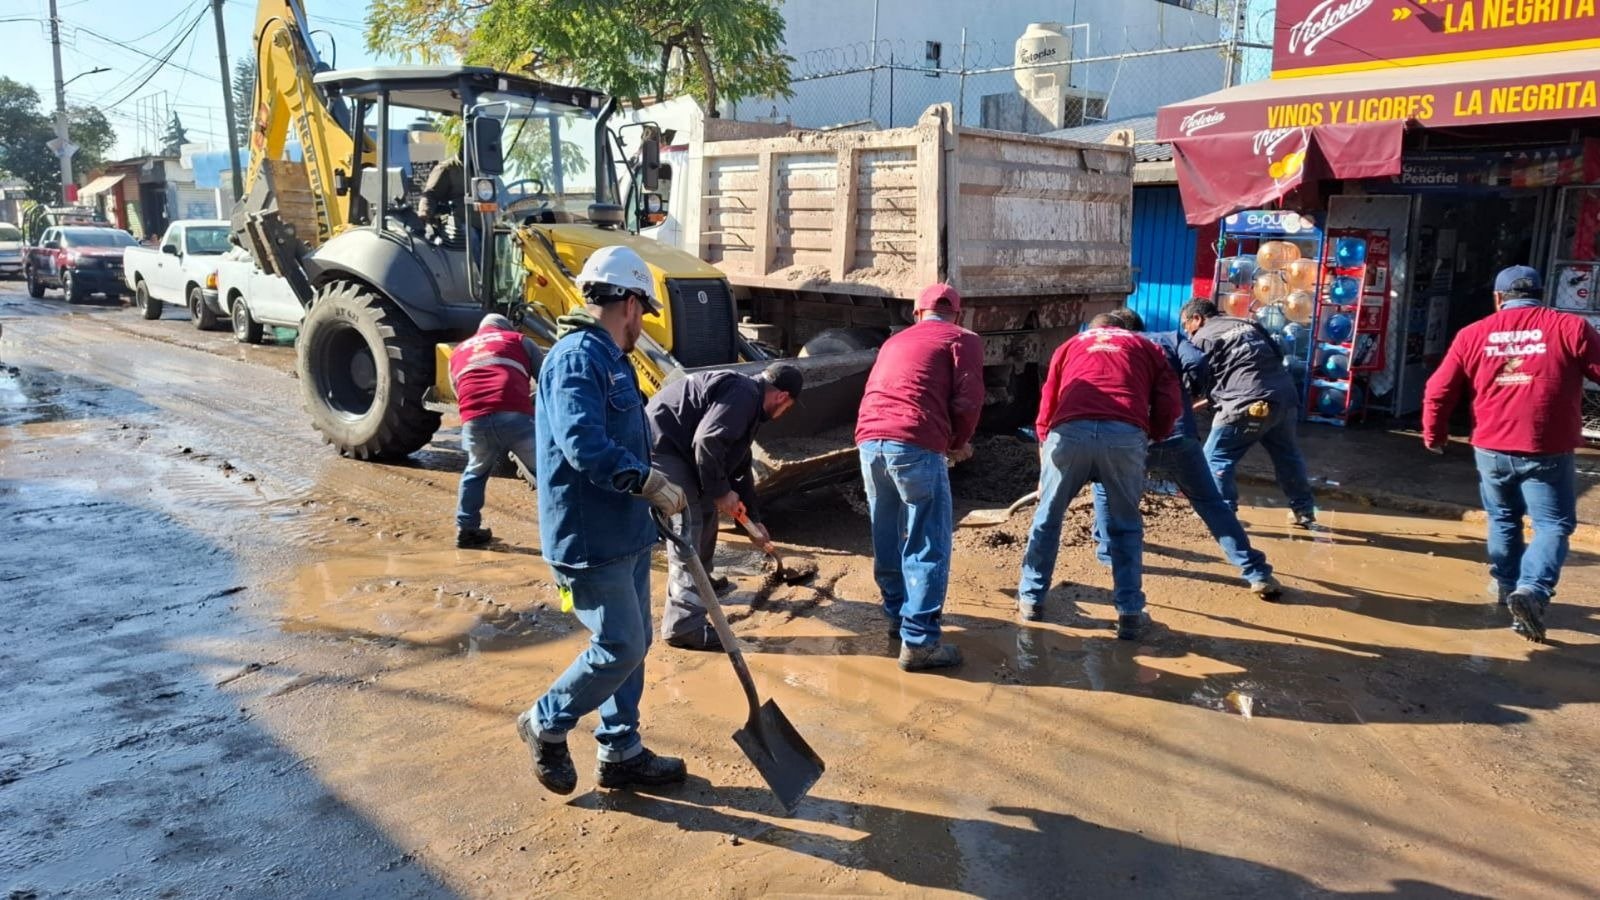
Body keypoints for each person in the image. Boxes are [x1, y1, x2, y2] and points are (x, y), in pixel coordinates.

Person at [515, 245, 689, 796]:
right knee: (620, 646)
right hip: (590, 538)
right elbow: (584, 445)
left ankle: (621, 751)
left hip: (626, 533)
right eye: (643, 313)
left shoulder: (609, 359)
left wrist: (650, 493)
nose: (642, 325)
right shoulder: (576, 358)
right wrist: (647, 482)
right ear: (631, 303)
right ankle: (546, 720)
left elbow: (624, 439)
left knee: (632, 645)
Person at [1422, 265, 1600, 643]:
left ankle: (1507, 588)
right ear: (1541, 292)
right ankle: (1532, 591)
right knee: (1552, 525)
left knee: (1503, 517)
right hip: (1545, 447)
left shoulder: (1473, 334)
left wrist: (1434, 435)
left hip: (1490, 447)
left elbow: (1438, 389)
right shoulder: (1570, 328)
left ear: (1498, 298)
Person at [1089, 309, 1282, 599]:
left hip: (1131, 438)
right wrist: (1190, 390)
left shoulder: (1111, 347)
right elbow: (1198, 362)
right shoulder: (1169, 338)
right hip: (1179, 435)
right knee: (1210, 503)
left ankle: (1108, 552)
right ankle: (1256, 573)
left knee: (1105, 489)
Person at [1019, 312, 1183, 639]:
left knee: (1048, 518)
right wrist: (1154, 433)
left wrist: (1044, 443)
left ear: (1091, 330)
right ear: (1121, 329)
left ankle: (1031, 599)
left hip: (1069, 433)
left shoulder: (1069, 346)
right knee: (1125, 526)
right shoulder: (1145, 345)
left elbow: (1048, 400)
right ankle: (1129, 611)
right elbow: (1168, 399)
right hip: (1124, 435)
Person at [855, 283, 984, 672]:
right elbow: (968, 398)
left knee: (887, 531)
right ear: (957, 315)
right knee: (929, 540)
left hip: (869, 440)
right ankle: (921, 641)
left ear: (917, 314)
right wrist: (959, 442)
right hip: (915, 441)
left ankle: (897, 616)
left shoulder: (895, 342)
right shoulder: (962, 339)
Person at [648, 363, 804, 651]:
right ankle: (684, 627)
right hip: (661, 449)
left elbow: (739, 468)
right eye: (789, 407)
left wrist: (753, 523)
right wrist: (720, 492)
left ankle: (700, 585)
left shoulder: (750, 401)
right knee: (690, 524)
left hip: (678, 450)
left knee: (706, 514)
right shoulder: (743, 393)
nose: (785, 414)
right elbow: (707, 441)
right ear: (782, 397)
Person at [1181, 298, 1317, 528]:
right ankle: (1303, 510)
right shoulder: (1249, 324)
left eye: (1186, 325)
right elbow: (1276, 356)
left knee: (1216, 458)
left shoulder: (1202, 337)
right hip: (1283, 399)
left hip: (1245, 404)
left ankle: (1222, 515)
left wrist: (1180, 404)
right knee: (1287, 456)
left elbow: (1192, 379)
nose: (1186, 331)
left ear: (1197, 319)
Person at [450, 313, 543, 549]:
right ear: (505, 327)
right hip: (513, 413)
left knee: (475, 471)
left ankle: (467, 529)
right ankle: (567, 528)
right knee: (546, 471)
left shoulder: (459, 350)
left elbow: (458, 390)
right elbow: (547, 379)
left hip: (474, 418)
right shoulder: (518, 339)